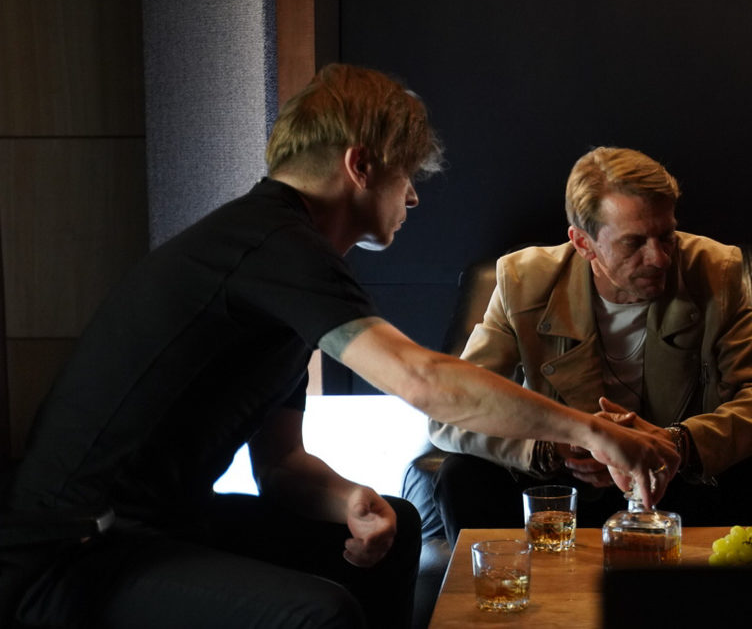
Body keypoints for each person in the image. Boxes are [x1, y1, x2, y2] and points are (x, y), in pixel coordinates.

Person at [1, 65, 676, 629]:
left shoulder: (281, 262)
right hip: (71, 554)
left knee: (397, 525)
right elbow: (424, 381)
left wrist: (347, 499)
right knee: (319, 615)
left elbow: (280, 465)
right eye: (406, 176)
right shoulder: (272, 244)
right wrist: (592, 431)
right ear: (360, 165)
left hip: (160, 526)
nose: (412, 198)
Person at [427, 147, 752, 534]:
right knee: (462, 475)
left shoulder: (712, 269)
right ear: (582, 242)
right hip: (569, 486)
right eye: (633, 243)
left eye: (667, 236)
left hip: (673, 481)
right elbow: (451, 411)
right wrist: (553, 446)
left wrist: (679, 443)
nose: (659, 258)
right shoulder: (523, 282)